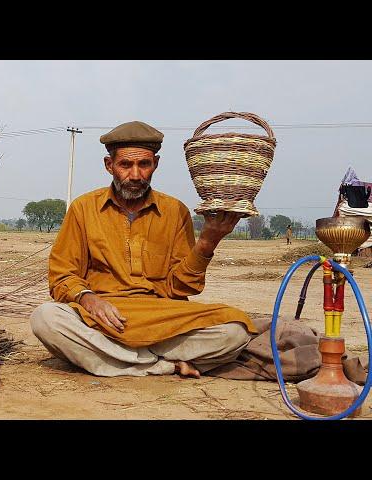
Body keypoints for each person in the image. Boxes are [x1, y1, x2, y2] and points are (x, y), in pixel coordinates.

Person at [30, 120, 258, 379]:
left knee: (236, 331)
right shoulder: (83, 209)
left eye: (144, 164)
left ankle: (119, 358)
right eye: (125, 165)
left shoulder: (175, 211)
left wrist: (208, 242)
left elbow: (181, 288)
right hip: (102, 321)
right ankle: (161, 365)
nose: (136, 175)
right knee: (45, 318)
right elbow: (62, 276)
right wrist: (88, 299)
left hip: (162, 319)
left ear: (155, 164)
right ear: (109, 166)